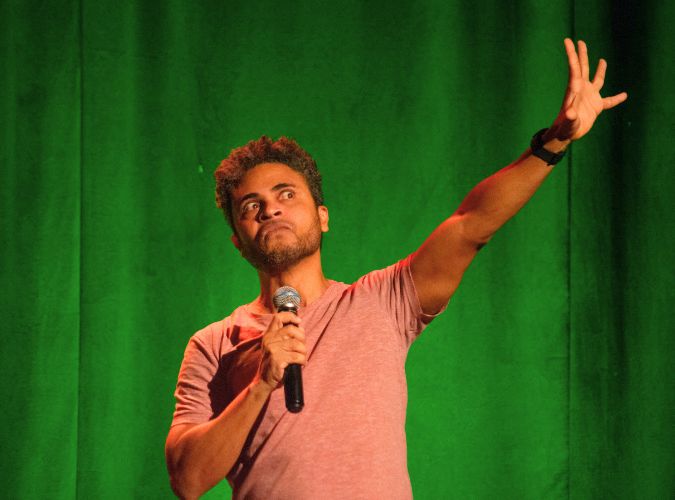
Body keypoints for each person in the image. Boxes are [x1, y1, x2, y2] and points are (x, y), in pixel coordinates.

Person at [165, 38, 627, 499]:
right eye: (251, 205)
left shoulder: (383, 301)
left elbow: (470, 225)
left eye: (287, 194)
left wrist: (556, 140)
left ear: (323, 217)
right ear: (237, 241)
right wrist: (260, 384)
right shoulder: (213, 345)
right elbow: (187, 480)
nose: (271, 209)